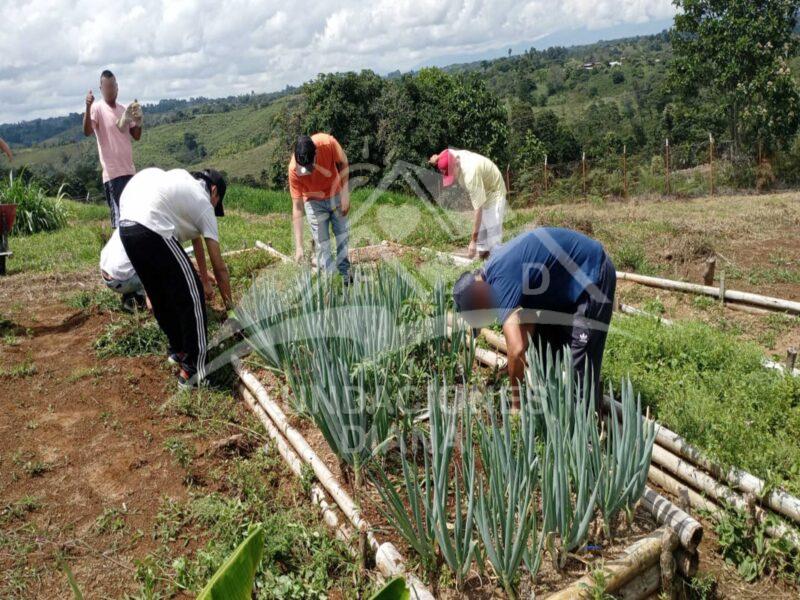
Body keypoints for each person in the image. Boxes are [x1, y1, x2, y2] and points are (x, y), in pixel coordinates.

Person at [452, 228, 616, 410]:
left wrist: (516, 405)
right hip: (563, 289)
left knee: (580, 370)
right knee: (542, 351)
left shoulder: (500, 282)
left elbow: (516, 350)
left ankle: (585, 427)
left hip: (591, 275)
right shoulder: (495, 275)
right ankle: (555, 410)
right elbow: (528, 319)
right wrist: (512, 368)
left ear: (478, 295)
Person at [118, 168, 232, 389]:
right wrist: (231, 310)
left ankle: (178, 350)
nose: (214, 207)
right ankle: (194, 371)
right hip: (151, 225)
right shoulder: (203, 203)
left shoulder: (180, 183)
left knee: (161, 292)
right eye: (217, 203)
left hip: (127, 226)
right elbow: (219, 267)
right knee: (192, 294)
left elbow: (195, 241)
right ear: (214, 191)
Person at [83, 70, 142, 228]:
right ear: (101, 88)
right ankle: (118, 251)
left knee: (133, 218)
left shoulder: (123, 109)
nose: (111, 90)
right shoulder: (97, 109)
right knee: (119, 222)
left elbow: (136, 135)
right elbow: (87, 131)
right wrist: (88, 107)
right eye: (107, 86)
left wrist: (138, 120)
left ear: (117, 88)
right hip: (113, 175)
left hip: (129, 172)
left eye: (113, 86)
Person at [289, 133, 351, 281]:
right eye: (303, 168)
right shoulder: (293, 170)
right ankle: (331, 282)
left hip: (335, 193)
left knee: (342, 235)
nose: (307, 171)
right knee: (323, 244)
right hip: (312, 201)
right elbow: (297, 207)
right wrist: (299, 247)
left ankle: (345, 276)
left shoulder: (327, 143)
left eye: (310, 166)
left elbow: (344, 163)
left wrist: (345, 192)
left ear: (316, 153)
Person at [430, 149, 506, 259]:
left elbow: (478, 208)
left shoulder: (470, 174)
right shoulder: (450, 155)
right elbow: (446, 152)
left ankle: (497, 262)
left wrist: (472, 241)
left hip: (494, 192)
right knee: (482, 238)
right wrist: (437, 158)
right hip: (481, 187)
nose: (453, 178)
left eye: (451, 174)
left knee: (493, 235)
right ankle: (482, 258)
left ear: (456, 164)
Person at [100, 229, 146, 312]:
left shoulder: (125, 223)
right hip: (119, 280)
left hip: (106, 274)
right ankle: (136, 299)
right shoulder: (145, 231)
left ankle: (130, 293)